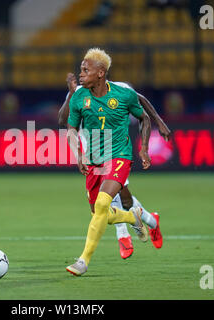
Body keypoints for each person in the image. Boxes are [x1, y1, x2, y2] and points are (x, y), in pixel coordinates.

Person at [64, 48, 161, 276]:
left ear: (101, 73)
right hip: (94, 161)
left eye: (85, 70)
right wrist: (78, 154)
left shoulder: (123, 94)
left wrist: (144, 148)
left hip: (119, 156)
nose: (81, 74)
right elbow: (70, 128)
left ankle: (83, 261)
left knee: (102, 206)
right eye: (80, 69)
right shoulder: (79, 96)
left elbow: (143, 117)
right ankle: (133, 216)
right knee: (101, 215)